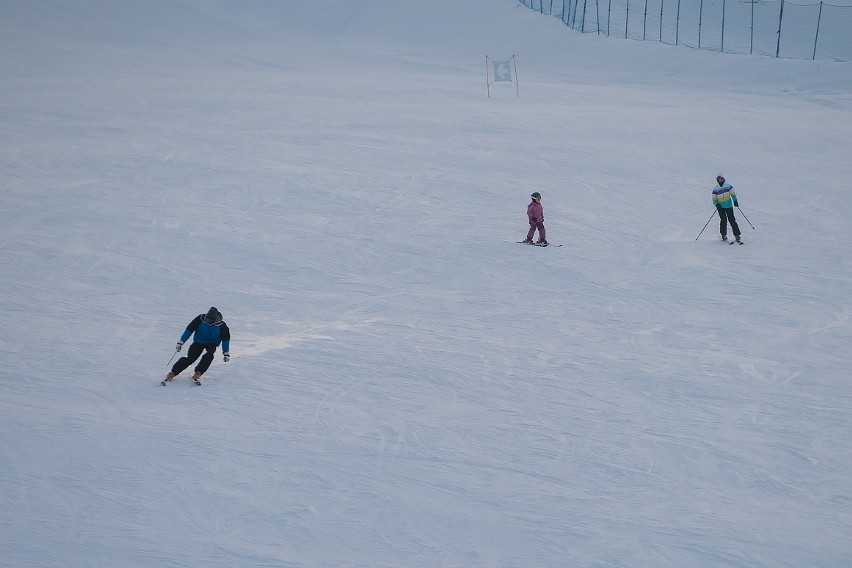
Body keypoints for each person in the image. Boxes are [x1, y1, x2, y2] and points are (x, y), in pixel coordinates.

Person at [164, 307, 230, 384]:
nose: (208, 321)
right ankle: (173, 373)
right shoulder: (200, 319)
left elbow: (225, 339)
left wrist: (226, 353)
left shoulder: (222, 326)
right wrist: (181, 342)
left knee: (209, 355)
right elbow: (189, 330)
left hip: (211, 343)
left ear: (215, 319)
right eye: (207, 319)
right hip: (198, 342)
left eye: (210, 320)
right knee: (191, 358)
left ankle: (198, 372)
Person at [712, 173, 742, 243]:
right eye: (718, 179)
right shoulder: (715, 189)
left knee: (732, 220)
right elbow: (714, 199)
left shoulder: (729, 186)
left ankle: (737, 235)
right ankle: (723, 235)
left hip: (729, 206)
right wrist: (717, 204)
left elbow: (733, 195)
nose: (720, 180)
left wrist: (735, 201)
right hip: (721, 207)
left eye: (721, 178)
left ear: (723, 178)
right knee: (723, 221)